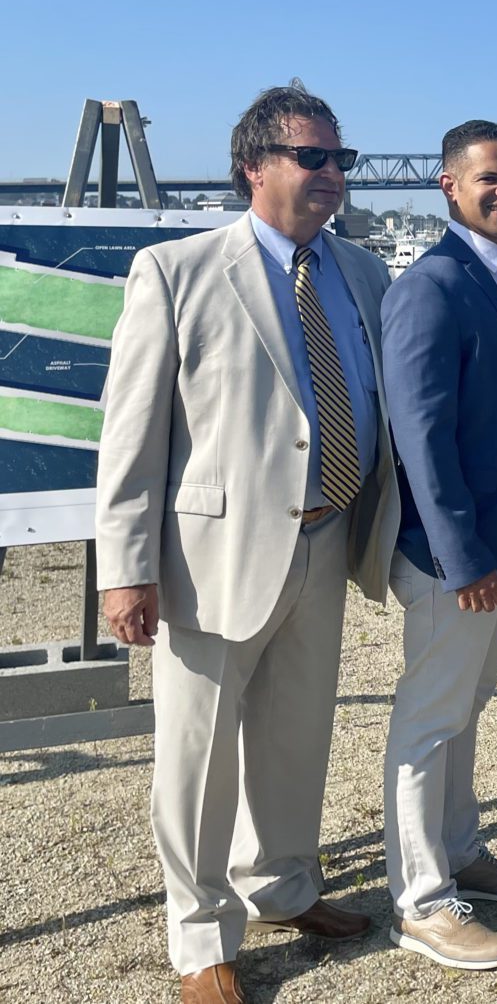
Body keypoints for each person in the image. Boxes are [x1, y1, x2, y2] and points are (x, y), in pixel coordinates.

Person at [95, 81, 399, 1004]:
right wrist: (125, 571)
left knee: (296, 737)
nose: (332, 174)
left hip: (327, 537)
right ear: (252, 168)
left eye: (340, 158)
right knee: (196, 758)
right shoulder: (177, 271)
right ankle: (200, 940)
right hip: (212, 559)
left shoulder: (360, 272)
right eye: (313, 157)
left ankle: (282, 886)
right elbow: (132, 434)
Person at [380, 119, 497, 969]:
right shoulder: (433, 284)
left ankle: (460, 849)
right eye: (490, 178)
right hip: (456, 553)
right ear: (449, 185)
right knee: (427, 720)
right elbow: (421, 434)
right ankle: (421, 901)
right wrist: (461, 556)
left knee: (465, 708)